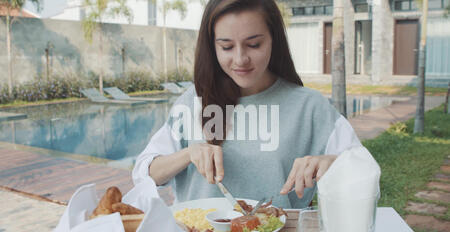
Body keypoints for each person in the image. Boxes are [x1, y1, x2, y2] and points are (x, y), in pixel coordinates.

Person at [132, 0, 361, 208]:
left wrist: (332, 163)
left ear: (274, 40)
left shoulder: (310, 107)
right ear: (212, 47)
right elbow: (144, 174)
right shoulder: (193, 101)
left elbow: (365, 173)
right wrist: (188, 153)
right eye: (227, 47)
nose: (240, 59)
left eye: (254, 45)